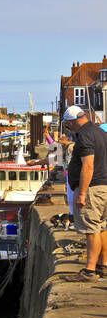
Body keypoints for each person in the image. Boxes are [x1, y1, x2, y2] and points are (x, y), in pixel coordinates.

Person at [62, 105, 107, 281]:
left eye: (68, 125)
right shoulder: (100, 132)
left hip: (92, 189)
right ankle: (103, 265)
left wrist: (81, 193)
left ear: (73, 121)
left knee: (91, 229)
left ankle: (89, 271)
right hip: (103, 186)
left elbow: (88, 166)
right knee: (101, 226)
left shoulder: (85, 136)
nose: (68, 128)